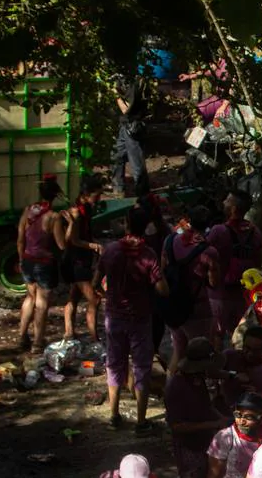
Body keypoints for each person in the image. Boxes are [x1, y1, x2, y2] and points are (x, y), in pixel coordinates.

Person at [95, 206, 169, 433]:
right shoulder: (147, 254)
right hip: (140, 318)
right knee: (141, 367)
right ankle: (140, 421)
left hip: (114, 317)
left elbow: (95, 282)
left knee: (115, 364)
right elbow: (162, 290)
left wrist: (108, 293)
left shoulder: (110, 251)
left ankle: (114, 415)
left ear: (126, 225)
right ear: (145, 227)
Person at [164, 338, 227, 478]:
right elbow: (177, 426)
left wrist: (221, 418)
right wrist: (213, 424)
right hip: (189, 447)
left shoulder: (197, 379)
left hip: (207, 441)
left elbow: (206, 405)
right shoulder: (176, 387)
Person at [163, 205, 222, 372]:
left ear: (188, 221)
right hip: (197, 308)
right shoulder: (209, 251)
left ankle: (171, 390)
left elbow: (162, 268)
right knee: (199, 355)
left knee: (179, 350)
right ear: (208, 226)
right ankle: (194, 392)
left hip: (172, 305)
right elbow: (213, 283)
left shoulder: (170, 240)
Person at [206, 189, 262, 344]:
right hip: (243, 294)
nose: (224, 202)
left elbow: (204, 255)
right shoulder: (255, 232)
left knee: (216, 336)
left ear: (233, 209)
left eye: (227, 200)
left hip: (220, 294)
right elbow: (259, 262)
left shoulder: (218, 231)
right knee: (239, 337)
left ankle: (216, 365)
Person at [56, 175, 106, 343]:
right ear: (86, 194)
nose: (98, 199)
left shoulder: (86, 209)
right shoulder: (76, 212)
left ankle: (69, 332)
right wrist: (94, 246)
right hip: (75, 261)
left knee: (74, 297)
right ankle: (94, 338)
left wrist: (94, 242)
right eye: (96, 195)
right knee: (94, 299)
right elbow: (73, 240)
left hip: (81, 260)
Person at [202, 390, 262, 478]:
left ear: (261, 418)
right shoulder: (225, 437)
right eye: (238, 415)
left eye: (249, 417)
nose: (241, 421)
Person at [17, 175, 62, 353]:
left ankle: (22, 336)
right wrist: (71, 226)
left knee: (30, 297)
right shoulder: (53, 217)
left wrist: (21, 259)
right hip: (44, 263)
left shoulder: (28, 210)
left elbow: (20, 239)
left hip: (27, 260)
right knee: (42, 303)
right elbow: (61, 244)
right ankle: (37, 342)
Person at [220, 324, 262, 407]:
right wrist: (233, 375)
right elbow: (211, 371)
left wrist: (257, 394)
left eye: (255, 350)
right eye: (247, 348)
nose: (249, 354)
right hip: (223, 407)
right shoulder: (229, 356)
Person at [112, 74, 149, 196]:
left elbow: (126, 110)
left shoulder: (133, 84)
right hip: (125, 126)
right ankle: (119, 189)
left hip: (132, 127)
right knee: (116, 156)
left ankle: (143, 194)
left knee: (136, 162)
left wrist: (116, 95)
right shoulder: (127, 81)